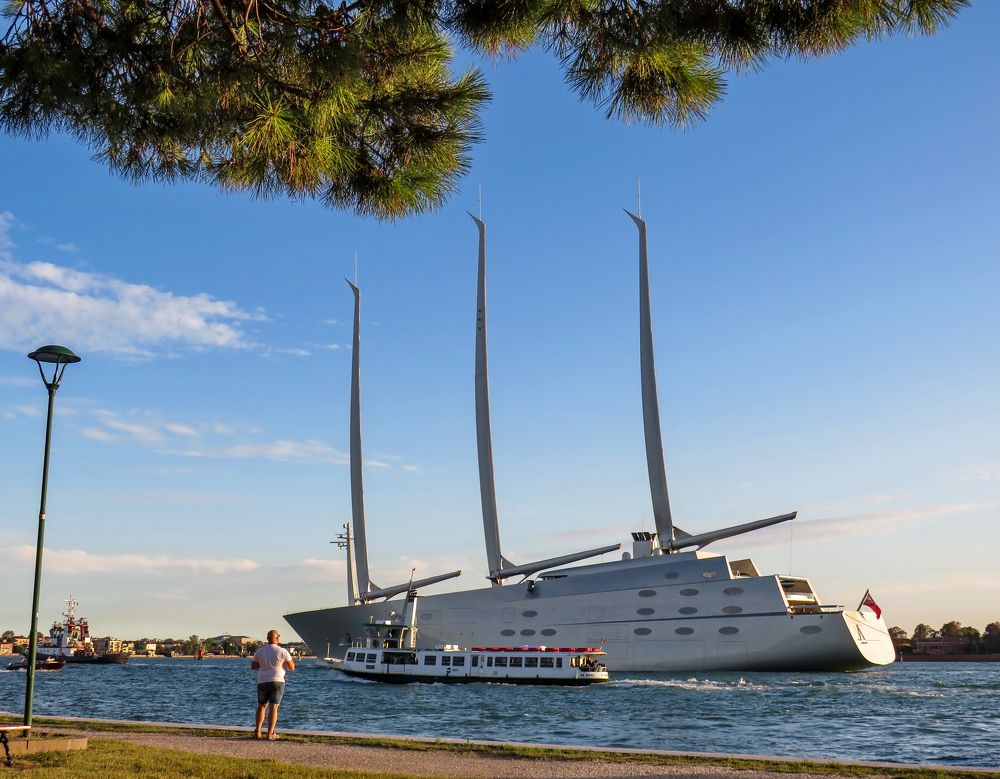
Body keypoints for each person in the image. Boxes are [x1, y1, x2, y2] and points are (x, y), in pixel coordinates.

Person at [250, 629, 295, 740]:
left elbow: (253, 667)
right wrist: (282, 664)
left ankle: (258, 731)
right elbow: (292, 667)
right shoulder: (283, 651)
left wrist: (264, 665)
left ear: (267, 638)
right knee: (273, 707)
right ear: (277, 638)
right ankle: (270, 733)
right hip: (277, 681)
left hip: (262, 680)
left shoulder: (259, 651)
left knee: (261, 706)